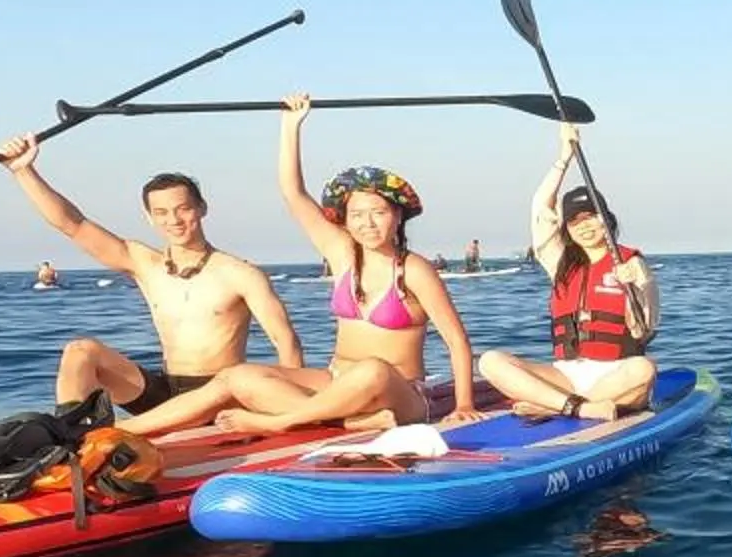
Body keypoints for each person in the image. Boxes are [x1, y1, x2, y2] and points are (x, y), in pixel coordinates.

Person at [123, 95, 478, 435]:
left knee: (373, 369)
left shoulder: (413, 269)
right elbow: (293, 192)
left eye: (378, 213)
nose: (367, 223)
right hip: (335, 382)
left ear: (397, 216)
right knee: (238, 376)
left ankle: (278, 421)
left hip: (398, 391)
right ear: (345, 219)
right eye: (357, 215)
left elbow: (456, 339)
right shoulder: (341, 254)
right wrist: (291, 126)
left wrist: (464, 404)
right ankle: (121, 428)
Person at [0, 136, 304, 414]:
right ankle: (69, 435)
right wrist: (23, 171)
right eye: (162, 212)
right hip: (166, 391)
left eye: (183, 209)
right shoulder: (143, 262)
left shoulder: (241, 273)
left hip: (221, 393)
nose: (174, 220)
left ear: (202, 208)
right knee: (80, 351)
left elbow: (286, 342)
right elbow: (73, 225)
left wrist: (294, 411)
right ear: (149, 217)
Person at [478, 126, 658, 420]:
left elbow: (644, 329)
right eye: (574, 222)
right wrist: (564, 157)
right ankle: (576, 407)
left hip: (616, 373)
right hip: (566, 376)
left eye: (591, 217)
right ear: (567, 229)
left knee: (644, 369)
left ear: (606, 219)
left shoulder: (632, 263)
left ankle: (552, 405)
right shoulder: (560, 261)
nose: (584, 226)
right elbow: (540, 207)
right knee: (490, 361)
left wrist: (636, 290)